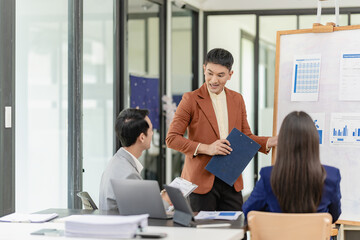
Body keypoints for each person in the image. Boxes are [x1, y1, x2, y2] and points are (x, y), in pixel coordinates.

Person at [166, 48, 277, 212]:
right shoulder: (190, 99)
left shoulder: (237, 99)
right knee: (205, 234)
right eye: (209, 73)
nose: (213, 80)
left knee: (236, 232)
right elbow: (172, 139)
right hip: (200, 182)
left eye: (220, 75)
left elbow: (245, 137)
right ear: (204, 68)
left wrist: (270, 141)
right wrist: (207, 148)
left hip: (231, 179)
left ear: (230, 74)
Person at [243, 111, 341, 223]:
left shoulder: (268, 176)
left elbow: (248, 211)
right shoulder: (331, 176)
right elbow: (334, 216)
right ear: (313, 141)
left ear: (283, 142)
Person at [99, 108, 170, 211]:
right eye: (151, 130)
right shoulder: (128, 174)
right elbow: (146, 212)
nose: (152, 134)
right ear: (142, 137)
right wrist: (166, 200)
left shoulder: (117, 161)